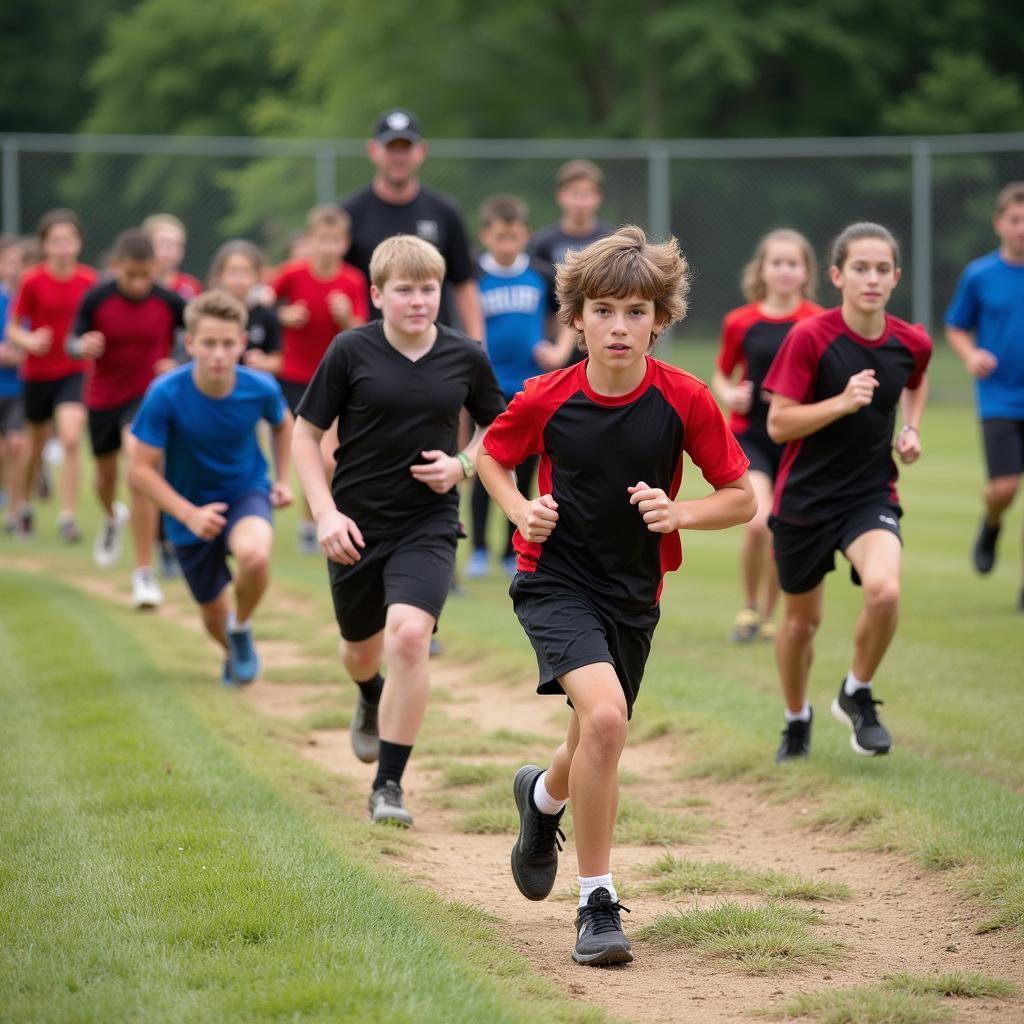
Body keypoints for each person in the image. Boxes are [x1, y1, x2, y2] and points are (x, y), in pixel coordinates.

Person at [477, 226, 754, 967]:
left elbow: (742, 496)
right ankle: (596, 902)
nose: (619, 327)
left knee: (590, 731)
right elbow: (492, 459)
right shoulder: (546, 395)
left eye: (636, 311)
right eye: (603, 311)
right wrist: (518, 511)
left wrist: (681, 512)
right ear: (576, 319)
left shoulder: (686, 399)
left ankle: (541, 801)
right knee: (604, 720)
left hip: (635, 589)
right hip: (555, 576)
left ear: (660, 319)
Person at [292, 235, 504, 828]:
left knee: (409, 637)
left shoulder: (466, 355)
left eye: (429, 289)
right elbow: (305, 435)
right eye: (405, 290)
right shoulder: (349, 350)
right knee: (360, 651)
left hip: (427, 521)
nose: (418, 301)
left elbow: (498, 427)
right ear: (378, 294)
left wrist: (461, 465)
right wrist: (324, 514)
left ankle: (389, 785)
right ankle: (367, 694)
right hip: (354, 523)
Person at [763, 222, 932, 764]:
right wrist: (841, 401)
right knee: (800, 623)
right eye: (861, 268)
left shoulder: (912, 340)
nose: (872, 279)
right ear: (837, 275)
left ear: (896, 277)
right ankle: (796, 720)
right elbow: (779, 424)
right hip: (805, 501)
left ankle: (857, 691)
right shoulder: (810, 337)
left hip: (868, 494)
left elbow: (916, 377)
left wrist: (911, 428)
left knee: (884, 592)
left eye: (883, 269)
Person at [129, 290, 293, 684]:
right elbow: (139, 470)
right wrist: (188, 513)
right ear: (190, 344)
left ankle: (242, 625)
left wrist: (283, 479)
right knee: (212, 613)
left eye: (227, 343)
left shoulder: (261, 387)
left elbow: (283, 424)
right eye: (208, 343)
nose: (219, 354)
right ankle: (232, 642)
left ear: (242, 342)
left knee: (255, 556)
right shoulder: (165, 393)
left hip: (244, 490)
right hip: (187, 507)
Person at [712, 230, 823, 642]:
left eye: (792, 264)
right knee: (758, 522)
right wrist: (730, 394)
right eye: (776, 263)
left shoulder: (816, 321)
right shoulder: (740, 321)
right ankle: (750, 607)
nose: (784, 271)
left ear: (806, 272)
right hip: (751, 436)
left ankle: (773, 615)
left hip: (797, 438)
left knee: (783, 525)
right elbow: (722, 373)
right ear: (762, 270)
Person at [68, 229, 185, 609]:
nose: (138, 283)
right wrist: (82, 345)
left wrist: (179, 361)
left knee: (140, 467)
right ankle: (111, 516)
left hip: (146, 397)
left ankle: (144, 574)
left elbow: (193, 336)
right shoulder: (96, 297)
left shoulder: (169, 301)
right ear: (116, 266)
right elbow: (71, 341)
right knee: (105, 478)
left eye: (145, 275)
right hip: (103, 398)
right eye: (130, 274)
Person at [467, 194, 556, 580]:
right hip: (487, 386)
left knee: (525, 471)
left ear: (526, 235)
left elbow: (565, 317)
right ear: (486, 235)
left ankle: (510, 548)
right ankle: (480, 550)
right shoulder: (473, 276)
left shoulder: (540, 273)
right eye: (500, 236)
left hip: (530, 387)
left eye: (514, 236)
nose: (507, 244)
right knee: (485, 463)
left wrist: (559, 350)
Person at [945, 181, 1024, 610]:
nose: (1022, 229)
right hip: (999, 399)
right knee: (1005, 488)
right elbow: (956, 325)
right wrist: (970, 354)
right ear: (999, 223)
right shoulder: (980, 275)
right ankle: (992, 521)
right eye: (1015, 220)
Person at [340, 108, 484, 340]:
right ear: (373, 150)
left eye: (405, 148)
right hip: (368, 349)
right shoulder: (350, 213)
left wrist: (478, 347)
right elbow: (336, 283)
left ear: (421, 151)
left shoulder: (445, 212)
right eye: (391, 148)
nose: (399, 156)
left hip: (434, 350)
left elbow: (464, 283)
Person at [6, 209, 96, 541]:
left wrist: (88, 341)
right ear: (44, 245)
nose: (62, 246)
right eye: (55, 240)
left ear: (79, 244)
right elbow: (13, 329)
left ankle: (67, 517)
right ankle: (21, 508)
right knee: (33, 447)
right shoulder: (32, 280)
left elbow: (96, 325)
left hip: (74, 371)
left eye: (68, 239)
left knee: (71, 439)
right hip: (37, 373)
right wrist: (29, 340)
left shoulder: (88, 281)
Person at [529, 159, 614, 370]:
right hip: (556, 338)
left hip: (603, 332)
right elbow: (539, 296)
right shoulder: (543, 242)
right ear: (560, 196)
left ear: (598, 197)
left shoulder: (612, 239)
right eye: (574, 193)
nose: (581, 201)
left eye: (587, 194)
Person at [208, 240, 282, 377]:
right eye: (233, 271)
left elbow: (280, 360)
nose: (240, 279)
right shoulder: (208, 314)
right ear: (219, 274)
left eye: (246, 271)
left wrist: (265, 362)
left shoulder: (267, 314)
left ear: (257, 276)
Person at [0, 235, 26, 526]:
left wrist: (22, 351)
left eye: (19, 262)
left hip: (19, 386)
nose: (14, 268)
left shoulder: (27, 297)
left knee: (17, 445)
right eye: (8, 261)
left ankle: (15, 510)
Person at [141, 214, 203, 301]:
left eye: (177, 244)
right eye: (163, 243)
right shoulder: (137, 284)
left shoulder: (191, 286)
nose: (170, 249)